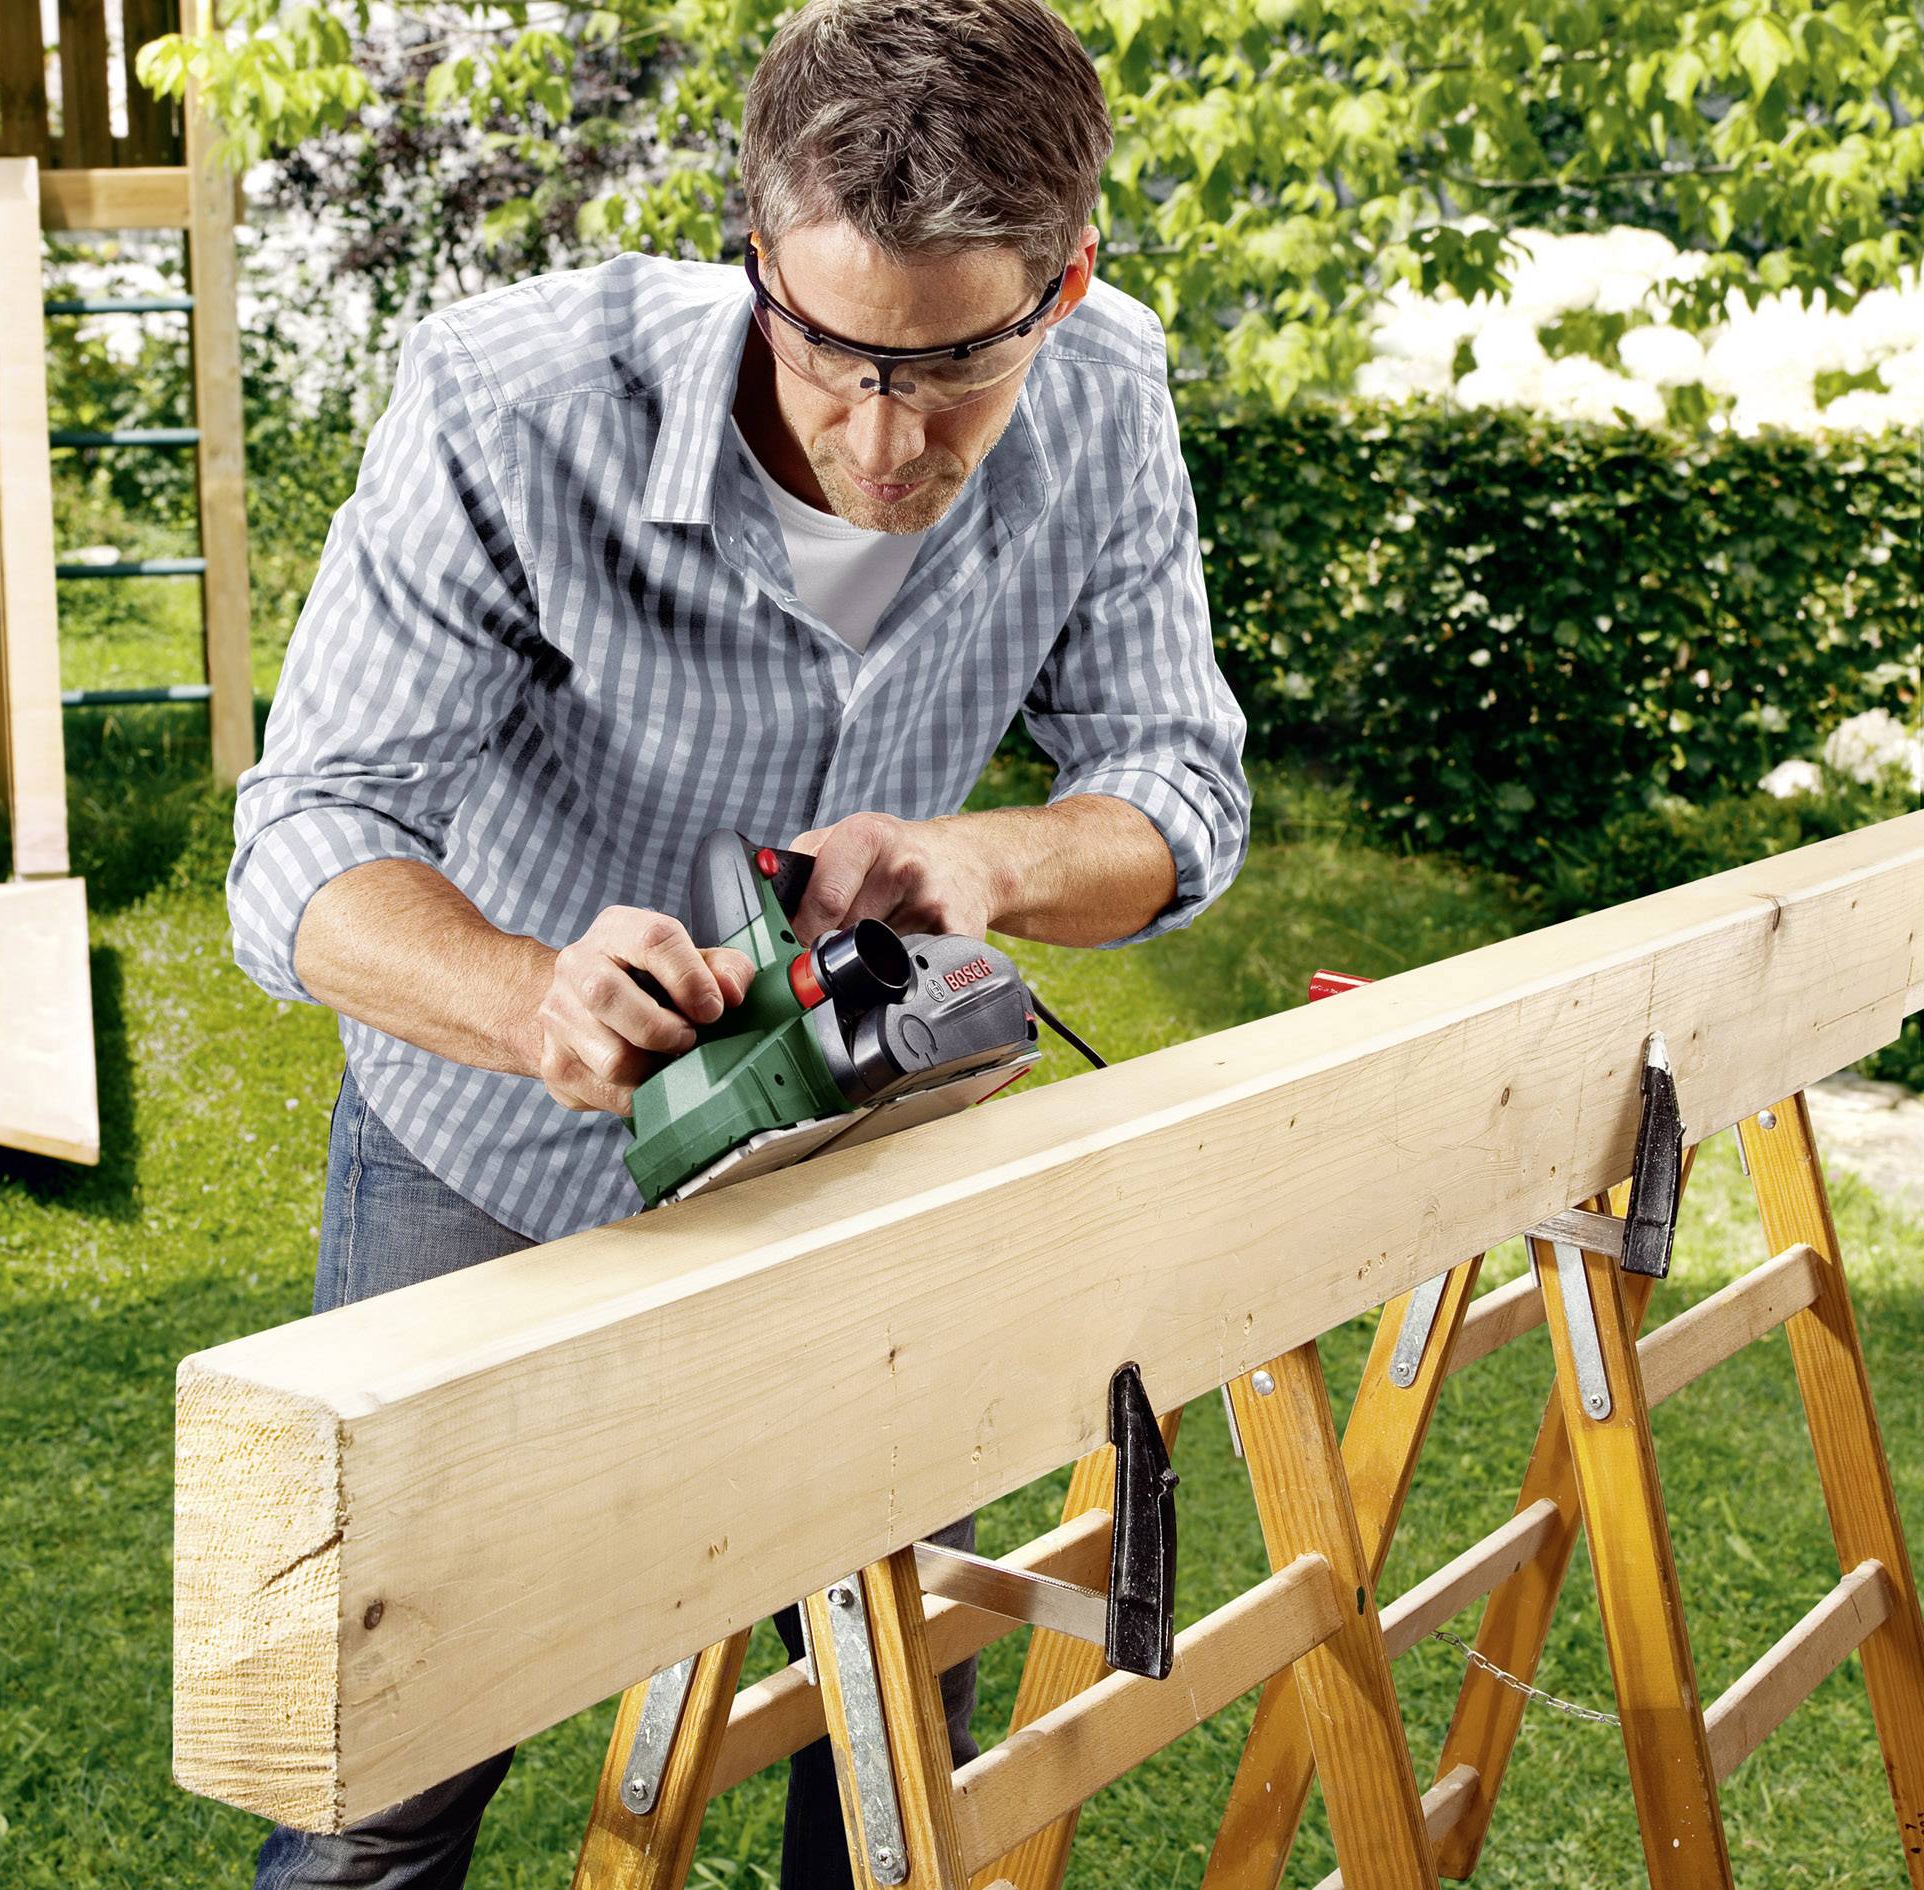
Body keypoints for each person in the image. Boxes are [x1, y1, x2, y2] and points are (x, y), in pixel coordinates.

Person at [226, 0, 1250, 1879]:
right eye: (836, 353)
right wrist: (534, 991)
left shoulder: (1109, 389)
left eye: (954, 370)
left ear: (1067, 283)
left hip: (859, 1165)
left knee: (885, 1756)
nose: (883, 437)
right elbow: (306, 839)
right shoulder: (511, 402)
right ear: (757, 257)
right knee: (384, 1773)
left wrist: (990, 863)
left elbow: (1179, 786)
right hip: (497, 1160)